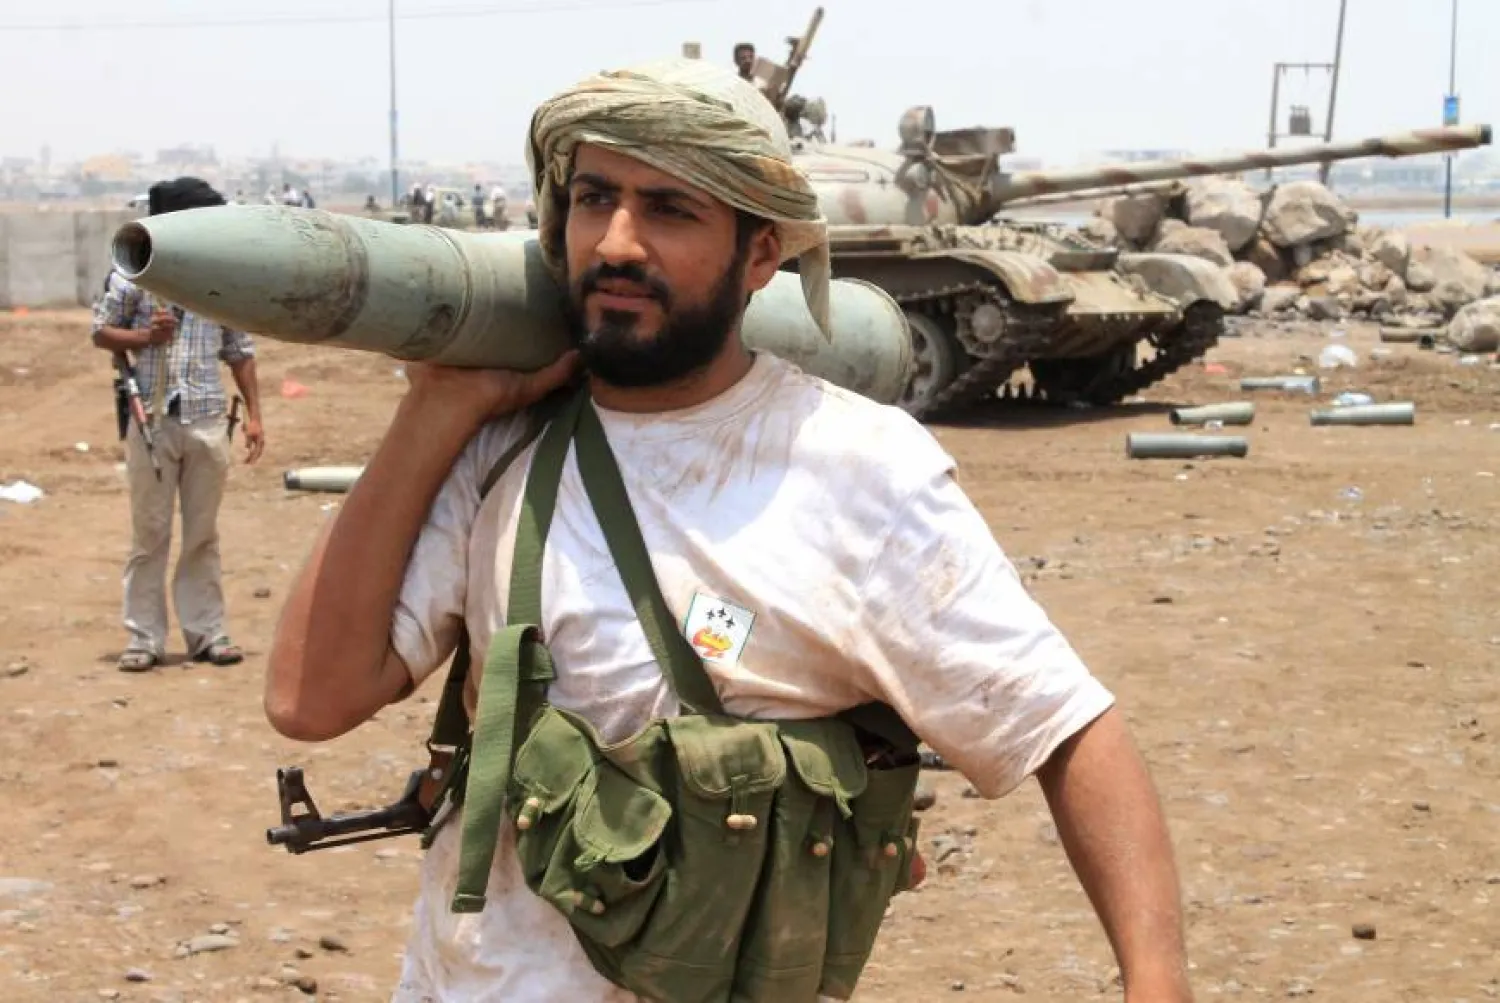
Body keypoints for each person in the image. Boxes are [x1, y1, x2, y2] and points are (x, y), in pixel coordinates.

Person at [264, 58, 1193, 1003]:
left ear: (760, 254)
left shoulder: (855, 468)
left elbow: (1066, 728)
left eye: (671, 209)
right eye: (595, 198)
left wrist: (1156, 984)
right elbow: (310, 696)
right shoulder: (500, 448)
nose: (617, 241)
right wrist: (434, 411)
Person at [92, 177, 266, 672]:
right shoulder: (133, 274)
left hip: (209, 420)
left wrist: (255, 417)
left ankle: (208, 634)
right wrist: (145, 337)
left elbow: (241, 353)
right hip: (153, 423)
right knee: (150, 536)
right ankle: (144, 638)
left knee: (202, 536)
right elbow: (100, 333)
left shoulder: (220, 282)